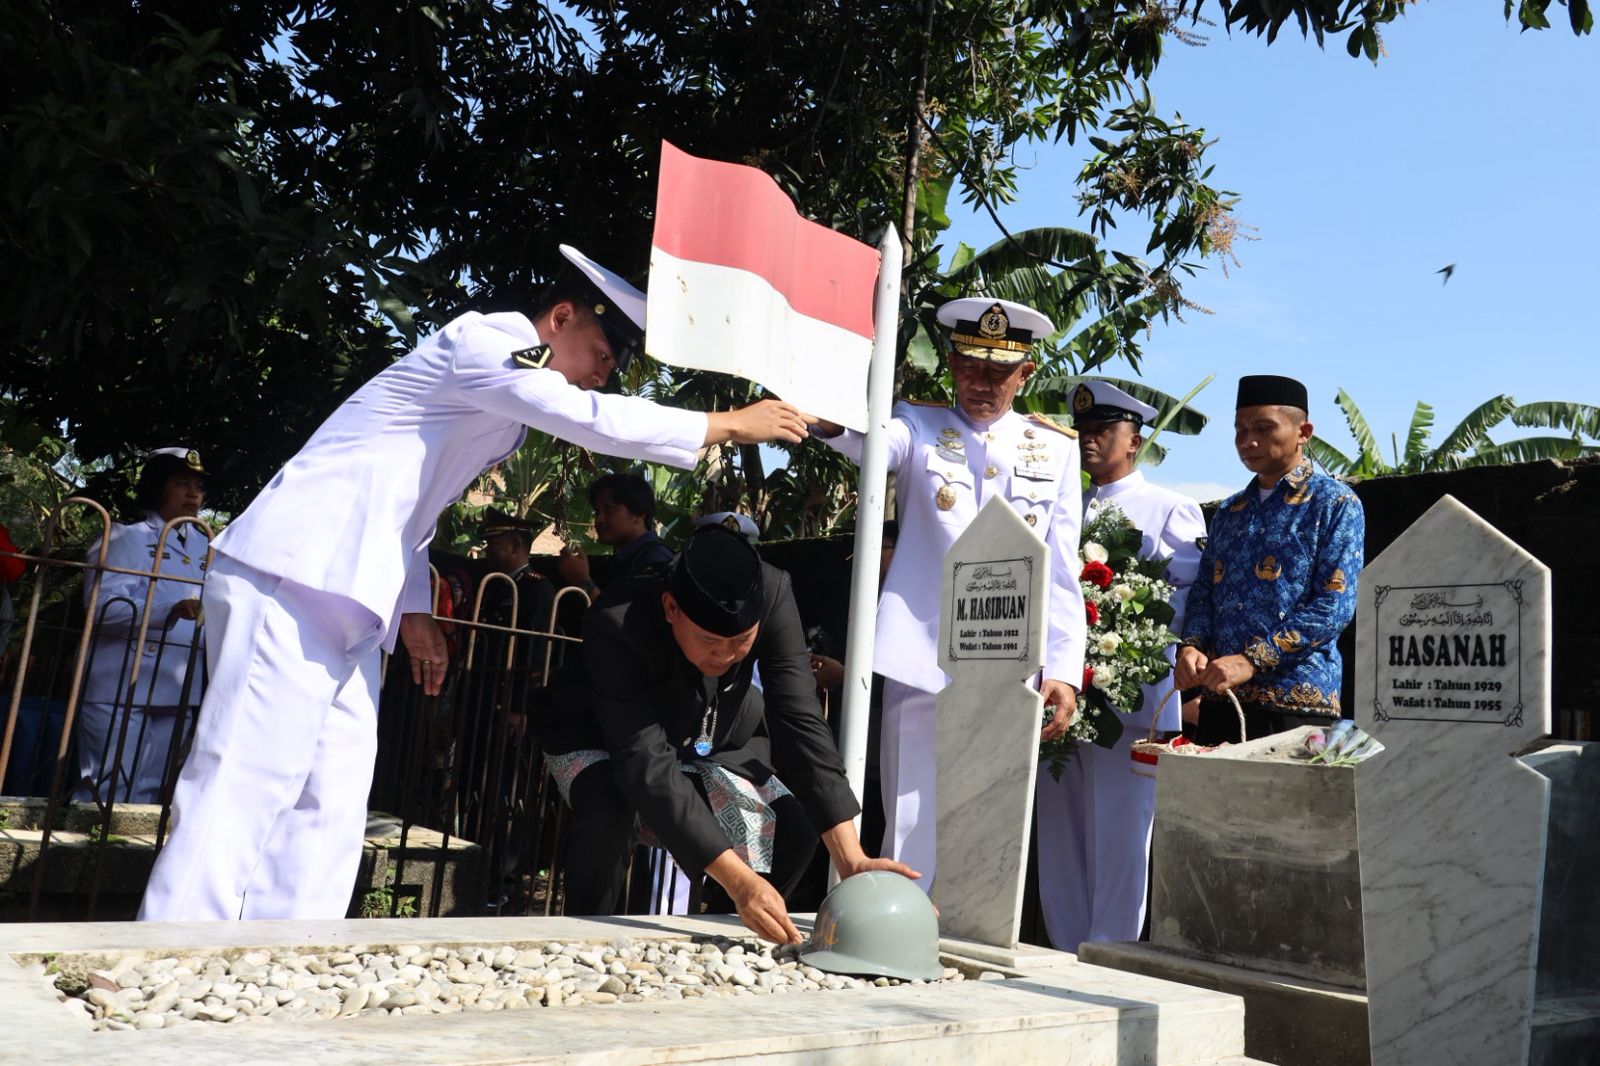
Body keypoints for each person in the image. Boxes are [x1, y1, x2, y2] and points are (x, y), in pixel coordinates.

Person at [138, 245, 813, 922]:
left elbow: (415, 508)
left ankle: (282, 949)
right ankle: (163, 949)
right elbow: (590, 420)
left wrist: (414, 611)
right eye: (602, 355)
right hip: (293, 570)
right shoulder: (487, 342)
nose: (602, 377)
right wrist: (722, 424)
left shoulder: (505, 412)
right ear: (560, 316)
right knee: (247, 775)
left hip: (348, 592)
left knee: (330, 796)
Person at [814, 297, 1088, 891]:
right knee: (910, 807)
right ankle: (905, 920)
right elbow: (870, 447)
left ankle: (971, 936)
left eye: (997, 371)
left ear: (1026, 372)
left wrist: (1065, 667)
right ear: (950, 361)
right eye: (968, 367)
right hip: (921, 653)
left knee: (992, 812)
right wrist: (830, 413)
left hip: (1010, 659)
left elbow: (1062, 572)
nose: (980, 384)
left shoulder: (1058, 449)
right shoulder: (918, 423)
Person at [545, 525, 915, 942]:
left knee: (793, 826)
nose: (723, 656)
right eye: (708, 640)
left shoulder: (774, 591)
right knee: (609, 808)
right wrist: (739, 881)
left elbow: (798, 716)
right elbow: (643, 763)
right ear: (671, 608)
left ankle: (723, 938)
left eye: (741, 642)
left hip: (707, 741)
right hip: (603, 742)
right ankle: (583, 938)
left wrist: (851, 857)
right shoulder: (617, 619)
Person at [1034, 381, 1206, 951]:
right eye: (1083, 431)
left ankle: (1111, 956)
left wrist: (1122, 640)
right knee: (1059, 838)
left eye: (1104, 432)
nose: (1089, 442)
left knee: (1121, 841)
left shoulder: (1169, 508)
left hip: (1128, 699)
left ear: (1133, 440)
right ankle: (1062, 952)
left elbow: (1181, 606)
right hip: (1059, 694)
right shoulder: (1061, 506)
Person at [1175, 374, 1365, 742]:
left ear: (1303, 431)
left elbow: (1334, 604)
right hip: (1222, 699)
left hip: (1296, 704)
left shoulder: (1335, 503)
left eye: (1263, 427)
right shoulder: (1230, 512)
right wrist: (1192, 647)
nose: (1249, 441)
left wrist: (1251, 660)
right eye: (1240, 430)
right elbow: (1202, 593)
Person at [75, 448, 211, 805]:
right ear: (156, 488)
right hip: (121, 681)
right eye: (182, 483)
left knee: (149, 794)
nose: (193, 493)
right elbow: (101, 606)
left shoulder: (208, 546)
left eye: (198, 485)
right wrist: (169, 609)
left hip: (179, 685)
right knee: (106, 787)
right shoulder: (126, 537)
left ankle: (127, 861)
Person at [558, 472, 674, 598]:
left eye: (609, 509)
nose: (599, 519)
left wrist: (583, 581)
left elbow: (624, 617)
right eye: (597, 511)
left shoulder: (655, 561)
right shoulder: (624, 559)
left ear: (639, 514)